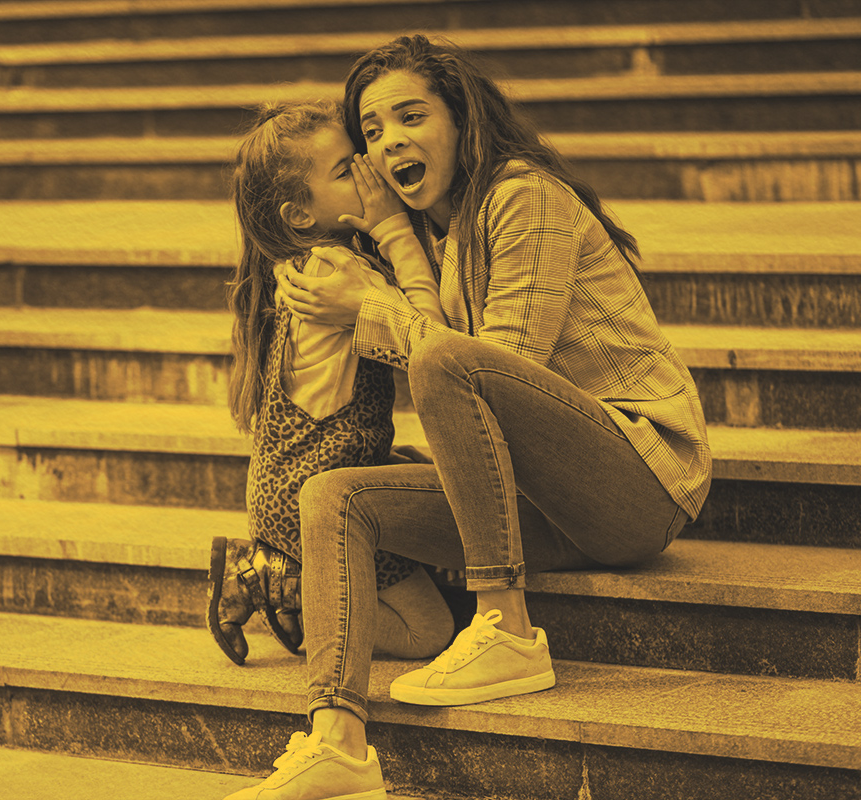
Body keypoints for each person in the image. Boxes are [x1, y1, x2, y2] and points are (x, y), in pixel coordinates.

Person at [225, 35, 712, 800]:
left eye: (411, 116)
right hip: (539, 498)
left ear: (461, 116)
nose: (390, 145)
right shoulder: (429, 231)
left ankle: (507, 629)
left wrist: (368, 304)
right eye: (373, 133)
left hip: (636, 482)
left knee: (446, 359)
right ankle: (338, 742)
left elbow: (484, 366)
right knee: (331, 496)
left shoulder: (524, 195)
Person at [207, 100, 455, 671]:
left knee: (422, 470)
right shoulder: (341, 274)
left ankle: (276, 571)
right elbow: (432, 338)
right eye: (348, 170)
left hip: (292, 484)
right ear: (300, 214)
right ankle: (279, 586)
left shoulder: (312, 261)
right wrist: (396, 229)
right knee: (428, 632)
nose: (370, 171)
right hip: (315, 502)